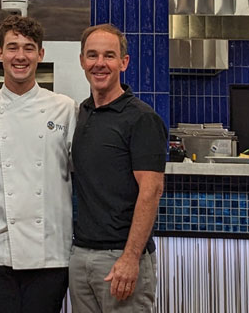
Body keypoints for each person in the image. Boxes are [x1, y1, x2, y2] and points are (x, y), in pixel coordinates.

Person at [0, 16, 77, 313]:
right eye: (12, 47)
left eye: (29, 48)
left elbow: (82, 172)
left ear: (40, 54)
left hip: (50, 254)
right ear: (0, 53)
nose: (20, 56)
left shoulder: (65, 109)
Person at [70, 24, 168, 313]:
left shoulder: (141, 118)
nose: (99, 63)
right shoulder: (83, 112)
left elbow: (151, 191)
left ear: (123, 62)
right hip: (81, 255)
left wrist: (130, 257)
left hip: (120, 259)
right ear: (82, 61)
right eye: (92, 55)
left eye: (109, 56)